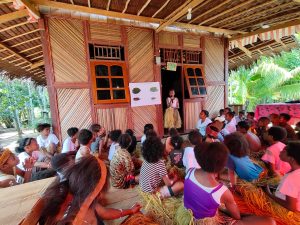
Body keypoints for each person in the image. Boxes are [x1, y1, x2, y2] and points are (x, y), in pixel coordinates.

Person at [181, 142, 274, 225]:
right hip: (206, 222)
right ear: (221, 167)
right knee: (270, 222)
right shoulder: (221, 191)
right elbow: (236, 216)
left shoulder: (190, 171)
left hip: (189, 215)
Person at [37, 156, 141, 225]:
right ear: (94, 188)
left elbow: (104, 212)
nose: (102, 194)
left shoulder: (80, 197)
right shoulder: (72, 218)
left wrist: (130, 211)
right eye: (103, 188)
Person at [265, 141, 300, 212]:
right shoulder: (295, 170)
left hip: (287, 211)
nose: (280, 151)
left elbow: (291, 207)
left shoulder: (291, 178)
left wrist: (269, 194)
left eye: (284, 151)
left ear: (292, 158)